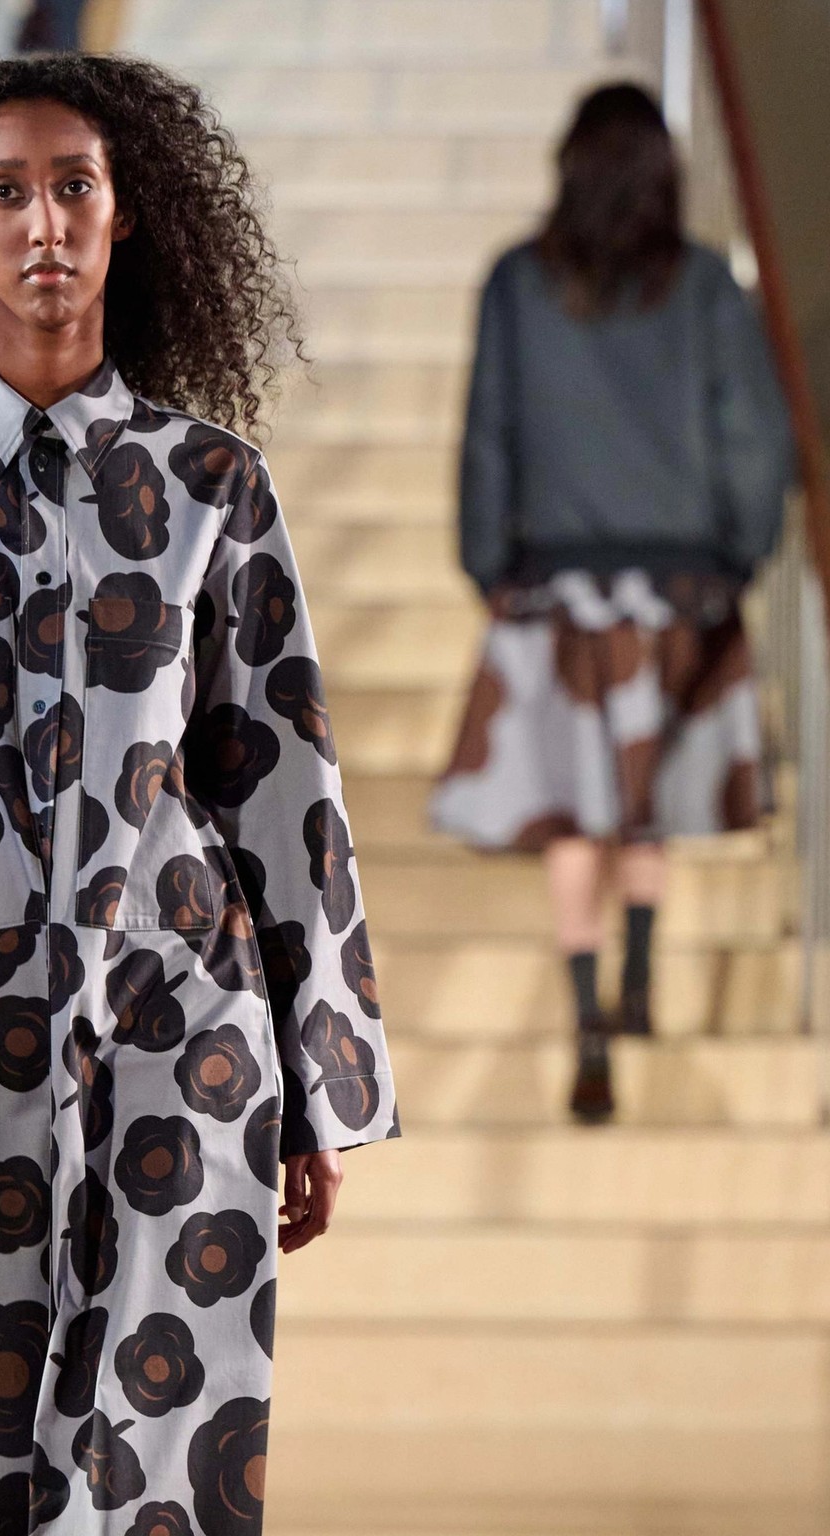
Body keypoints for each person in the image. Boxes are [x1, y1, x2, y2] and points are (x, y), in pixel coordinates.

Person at [0, 54, 397, 1533]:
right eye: (9, 192)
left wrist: (322, 1078)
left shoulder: (212, 483)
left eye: (76, 188)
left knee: (162, 1468)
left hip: (183, 1026)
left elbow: (279, 783)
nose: (45, 222)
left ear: (127, 217)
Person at [431, 84, 795, 1121]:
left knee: (573, 810)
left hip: (556, 587)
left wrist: (484, 562)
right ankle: (639, 972)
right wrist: (741, 554)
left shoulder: (517, 282)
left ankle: (587, 1002)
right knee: (648, 795)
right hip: (681, 583)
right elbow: (755, 438)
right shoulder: (708, 289)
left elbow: (488, 432)